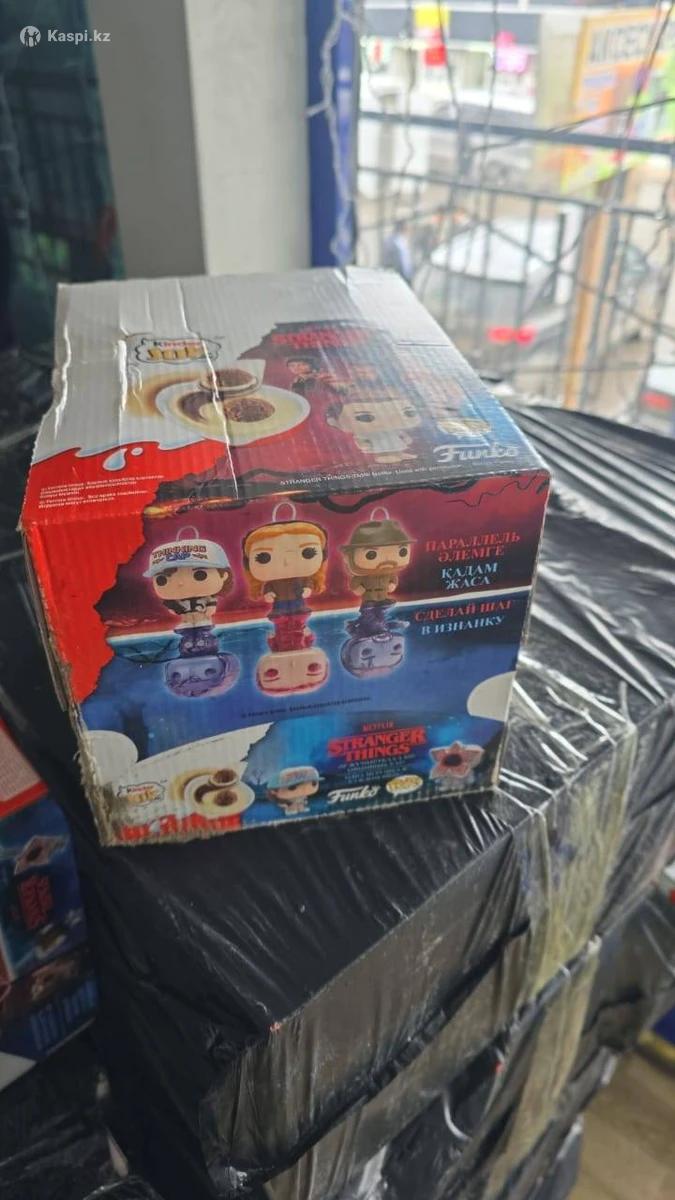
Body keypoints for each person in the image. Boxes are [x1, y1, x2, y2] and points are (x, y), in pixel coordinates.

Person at [382, 220, 413, 284]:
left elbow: (406, 260)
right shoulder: (392, 240)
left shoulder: (403, 240)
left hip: (406, 275)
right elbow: (388, 259)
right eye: (405, 227)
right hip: (396, 275)